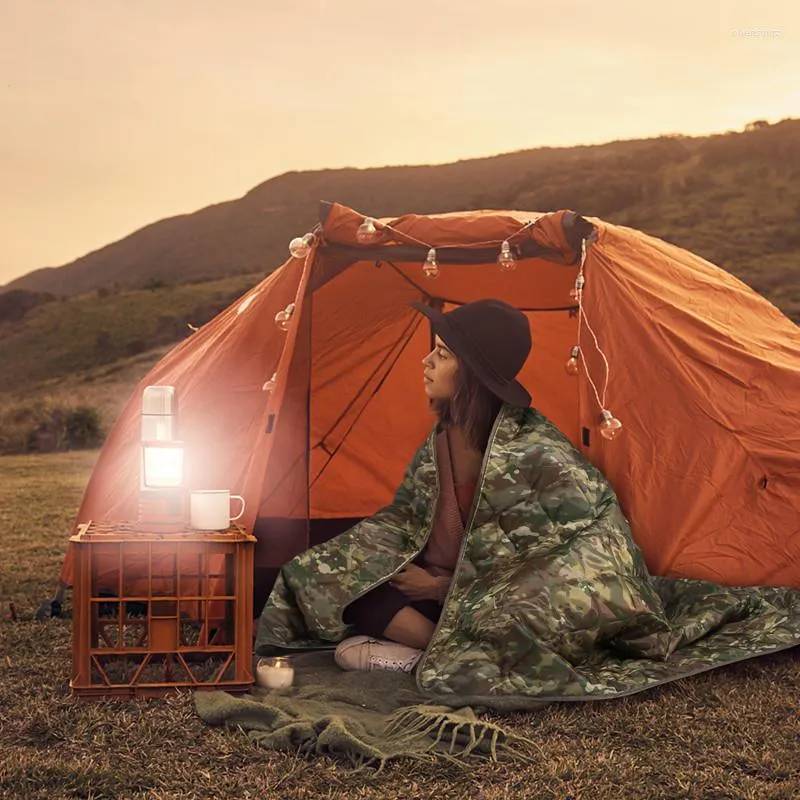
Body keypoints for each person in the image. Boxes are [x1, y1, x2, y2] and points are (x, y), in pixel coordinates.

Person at [334, 298, 532, 673]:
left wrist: (439, 588)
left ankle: (455, 658)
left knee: (520, 617)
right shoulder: (443, 438)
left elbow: (530, 567)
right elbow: (411, 518)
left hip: (490, 600)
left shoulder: (521, 453)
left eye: (441, 354)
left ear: (471, 373)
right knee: (354, 587)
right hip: (442, 586)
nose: (426, 361)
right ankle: (441, 653)